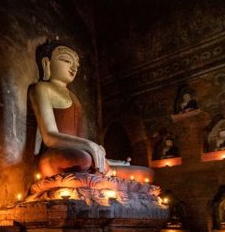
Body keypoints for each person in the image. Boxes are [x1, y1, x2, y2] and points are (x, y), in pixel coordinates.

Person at [29, 41, 152, 181]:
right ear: (47, 63)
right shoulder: (42, 89)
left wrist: (100, 154)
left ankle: (107, 171)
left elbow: (81, 138)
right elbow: (50, 137)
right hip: (56, 156)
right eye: (66, 60)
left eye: (76, 64)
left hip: (80, 154)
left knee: (145, 172)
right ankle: (104, 174)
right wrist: (89, 145)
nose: (74, 67)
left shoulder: (74, 97)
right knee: (84, 160)